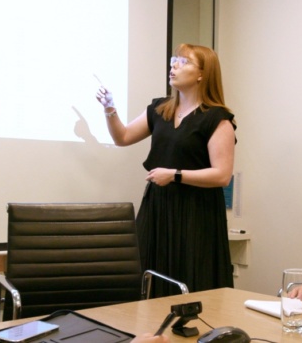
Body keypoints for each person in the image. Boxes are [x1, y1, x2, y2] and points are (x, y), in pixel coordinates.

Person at [96, 43, 236, 296]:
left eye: (184, 62)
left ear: (203, 73)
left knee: (191, 277)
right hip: (159, 206)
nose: (174, 66)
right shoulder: (160, 110)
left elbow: (222, 175)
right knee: (151, 276)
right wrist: (110, 109)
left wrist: (175, 175)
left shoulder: (217, 118)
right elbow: (123, 137)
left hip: (196, 211)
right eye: (174, 60)